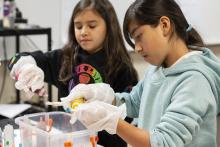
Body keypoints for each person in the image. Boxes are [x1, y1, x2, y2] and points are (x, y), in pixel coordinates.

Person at [62, 0, 220, 146]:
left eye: (139, 36)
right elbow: (135, 102)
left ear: (164, 25)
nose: (137, 48)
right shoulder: (157, 68)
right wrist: (106, 98)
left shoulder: (195, 80)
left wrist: (112, 121)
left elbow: (163, 142)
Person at [8, 0, 138, 146]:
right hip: (67, 141)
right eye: (78, 26)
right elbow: (14, 59)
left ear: (109, 26)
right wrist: (25, 67)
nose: (83, 31)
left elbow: (130, 113)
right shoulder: (64, 58)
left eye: (92, 25)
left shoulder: (120, 65)